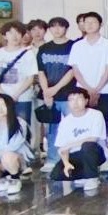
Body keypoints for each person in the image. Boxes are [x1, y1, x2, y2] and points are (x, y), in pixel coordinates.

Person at [49, 88, 108, 192]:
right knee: (56, 174)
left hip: (95, 152)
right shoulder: (65, 122)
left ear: (86, 101)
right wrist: (66, 163)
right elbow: (62, 148)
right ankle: (83, 174)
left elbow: (93, 139)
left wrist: (70, 145)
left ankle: (92, 177)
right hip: (75, 155)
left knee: (87, 146)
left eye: (79, 99)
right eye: (71, 100)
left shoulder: (96, 115)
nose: (75, 103)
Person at [0, 20, 39, 128]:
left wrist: (15, 95)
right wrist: (3, 95)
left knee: (22, 128)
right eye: (11, 33)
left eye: (18, 33)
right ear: (4, 36)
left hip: (21, 98)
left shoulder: (28, 54)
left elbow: (30, 79)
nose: (15, 36)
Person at [37, 16, 76, 169]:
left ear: (66, 28)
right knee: (52, 129)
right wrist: (46, 92)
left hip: (69, 94)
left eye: (60, 26)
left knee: (72, 126)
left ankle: (74, 158)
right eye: (53, 26)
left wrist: (55, 88)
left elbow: (72, 70)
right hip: (50, 96)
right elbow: (41, 72)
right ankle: (52, 159)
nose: (57, 29)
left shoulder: (73, 46)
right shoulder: (44, 48)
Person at [67, 12, 108, 120]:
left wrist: (96, 90)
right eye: (86, 22)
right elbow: (76, 71)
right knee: (83, 122)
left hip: (104, 91)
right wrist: (89, 90)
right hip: (82, 92)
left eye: (93, 22)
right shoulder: (77, 46)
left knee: (104, 122)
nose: (89, 25)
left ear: (101, 24)